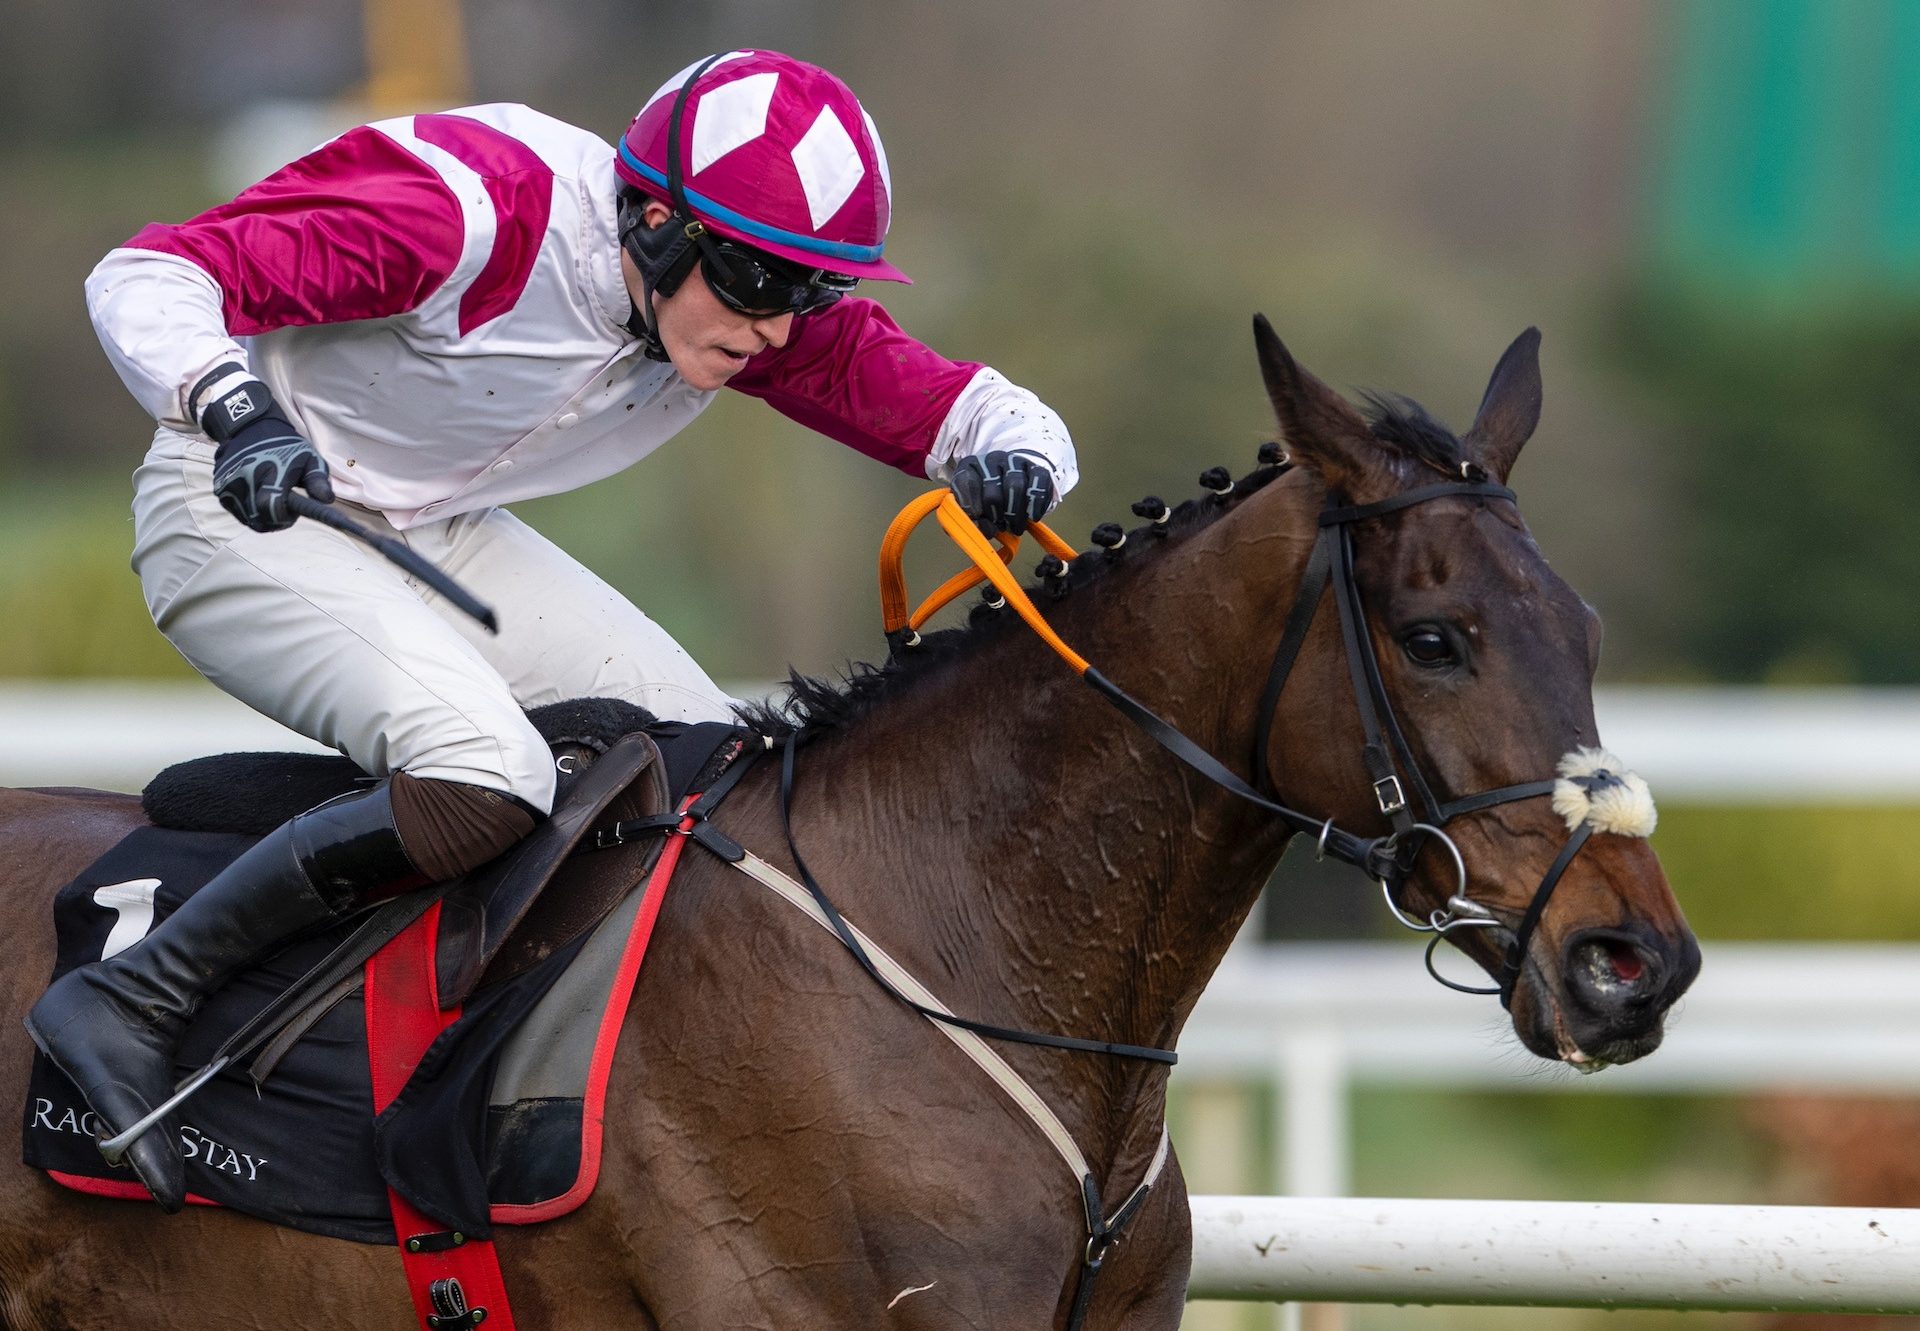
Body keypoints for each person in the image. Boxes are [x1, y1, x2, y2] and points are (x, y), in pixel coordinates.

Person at [28, 49, 1077, 1211]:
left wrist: (1018, 458)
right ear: (660, 222)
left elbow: (973, 406)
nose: (777, 332)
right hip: (233, 502)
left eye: (808, 294)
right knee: (491, 772)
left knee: (708, 764)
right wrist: (235, 410)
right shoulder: (472, 208)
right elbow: (150, 271)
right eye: (758, 284)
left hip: (433, 528)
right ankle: (135, 994)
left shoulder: (731, 299)